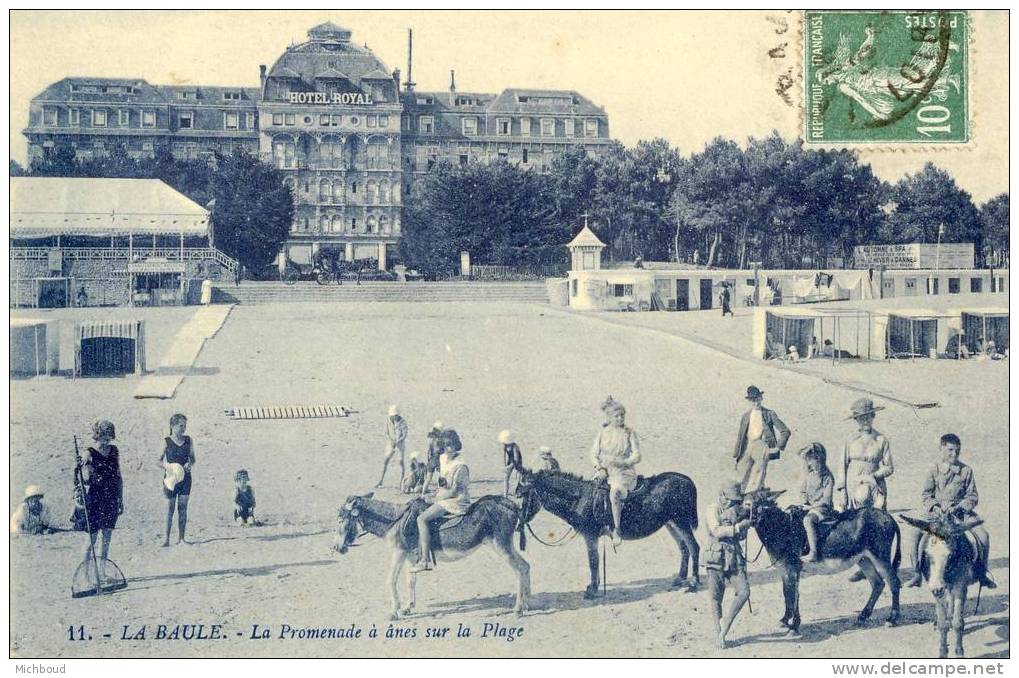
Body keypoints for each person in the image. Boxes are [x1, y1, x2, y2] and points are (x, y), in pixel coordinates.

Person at [904, 434, 995, 589]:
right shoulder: (934, 469)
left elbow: (972, 496)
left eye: (957, 451)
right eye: (950, 450)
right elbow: (926, 494)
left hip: (960, 515)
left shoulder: (966, 470)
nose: (954, 454)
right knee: (914, 534)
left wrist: (959, 508)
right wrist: (935, 507)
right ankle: (917, 573)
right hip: (936, 515)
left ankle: (981, 573)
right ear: (941, 449)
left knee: (983, 535)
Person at [410, 437, 471, 573]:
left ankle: (425, 561)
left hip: (456, 500)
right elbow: (441, 483)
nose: (449, 448)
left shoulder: (461, 465)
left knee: (422, 519)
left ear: (457, 446)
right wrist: (430, 494)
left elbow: (454, 491)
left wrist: (433, 499)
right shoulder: (443, 459)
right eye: (447, 444)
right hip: (443, 496)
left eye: (452, 445)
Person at [705, 481, 752, 649]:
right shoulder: (712, 509)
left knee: (744, 592)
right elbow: (716, 531)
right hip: (716, 557)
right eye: (731, 501)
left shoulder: (737, 511)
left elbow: (740, 538)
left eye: (736, 502)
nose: (733, 504)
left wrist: (745, 524)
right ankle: (719, 634)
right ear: (722, 496)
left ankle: (724, 628)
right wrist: (738, 527)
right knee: (716, 598)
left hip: (734, 558)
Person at [591, 397, 641, 546]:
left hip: (624, 473)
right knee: (592, 492)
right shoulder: (603, 433)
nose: (620, 418)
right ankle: (598, 525)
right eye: (616, 416)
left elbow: (637, 455)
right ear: (610, 418)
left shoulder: (629, 433)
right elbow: (593, 454)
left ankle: (617, 530)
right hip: (605, 472)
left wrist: (624, 462)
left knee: (615, 493)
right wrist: (599, 468)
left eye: (622, 416)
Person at [836, 398, 893, 512]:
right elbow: (842, 467)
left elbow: (889, 467)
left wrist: (875, 475)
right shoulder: (850, 440)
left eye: (868, 417)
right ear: (856, 420)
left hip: (875, 485)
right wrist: (842, 490)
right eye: (861, 418)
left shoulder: (881, 439)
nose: (865, 421)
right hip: (853, 484)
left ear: (873, 416)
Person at [733, 386, 790, 493]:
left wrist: (778, 447)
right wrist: (736, 456)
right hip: (748, 446)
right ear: (749, 401)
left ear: (761, 398)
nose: (756, 403)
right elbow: (740, 437)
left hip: (762, 446)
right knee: (742, 472)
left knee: (758, 473)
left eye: (758, 399)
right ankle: (741, 496)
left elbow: (785, 431)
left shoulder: (769, 414)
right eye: (753, 401)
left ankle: (753, 494)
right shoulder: (745, 416)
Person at [81, 420, 123, 562]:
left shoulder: (114, 451)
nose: (106, 441)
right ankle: (85, 573)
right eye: (104, 438)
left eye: (109, 438)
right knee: (91, 538)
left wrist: (120, 499)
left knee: (106, 538)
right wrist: (84, 466)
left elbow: (118, 477)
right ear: (97, 435)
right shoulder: (88, 453)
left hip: (111, 498)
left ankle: (102, 571)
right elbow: (83, 478)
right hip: (95, 498)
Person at [158, 413, 195, 546]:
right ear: (172, 426)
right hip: (171, 479)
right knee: (170, 509)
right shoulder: (166, 441)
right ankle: (166, 539)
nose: (183, 428)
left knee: (183, 508)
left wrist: (189, 464)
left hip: (185, 478)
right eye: (181, 425)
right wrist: (169, 466)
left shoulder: (189, 440)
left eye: (185, 426)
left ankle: (182, 539)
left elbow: (193, 458)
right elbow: (158, 461)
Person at [798, 443, 835, 562]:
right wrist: (804, 500)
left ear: (819, 459)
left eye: (811, 460)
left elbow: (826, 500)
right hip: (809, 507)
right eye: (808, 460)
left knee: (808, 520)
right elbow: (803, 491)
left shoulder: (827, 477)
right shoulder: (809, 475)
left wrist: (810, 507)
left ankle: (813, 552)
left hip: (822, 509)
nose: (809, 463)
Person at [376, 405, 409, 488]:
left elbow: (404, 435)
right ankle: (380, 481)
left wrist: (398, 441)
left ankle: (401, 482)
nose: (393, 417)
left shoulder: (403, 422)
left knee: (400, 462)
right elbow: (386, 433)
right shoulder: (388, 420)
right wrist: (391, 440)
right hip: (391, 443)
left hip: (400, 444)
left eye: (394, 416)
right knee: (385, 460)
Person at [499, 430, 523, 497]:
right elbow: (503, 456)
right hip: (510, 460)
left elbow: (516, 459)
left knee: (518, 478)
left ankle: (516, 492)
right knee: (505, 477)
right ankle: (505, 494)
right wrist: (505, 466)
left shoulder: (515, 446)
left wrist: (509, 467)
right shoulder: (504, 445)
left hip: (517, 461)